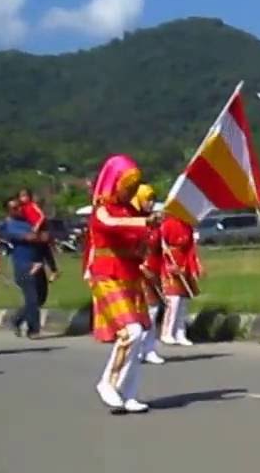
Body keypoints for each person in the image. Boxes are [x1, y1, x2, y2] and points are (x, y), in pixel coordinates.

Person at [86, 154, 158, 413]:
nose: (130, 190)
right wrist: (143, 222)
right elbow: (111, 225)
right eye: (126, 184)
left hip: (130, 277)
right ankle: (108, 381)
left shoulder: (131, 210)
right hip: (107, 277)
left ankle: (129, 393)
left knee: (140, 335)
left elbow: (138, 245)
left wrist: (149, 233)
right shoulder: (102, 209)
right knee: (131, 333)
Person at [0, 198, 58, 339]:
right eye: (14, 208)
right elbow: (29, 238)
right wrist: (41, 236)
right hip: (23, 265)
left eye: (20, 207)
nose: (18, 210)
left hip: (38, 264)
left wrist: (53, 267)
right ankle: (33, 330)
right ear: (8, 211)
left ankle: (16, 320)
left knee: (41, 298)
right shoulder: (8, 225)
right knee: (32, 298)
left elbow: (45, 245)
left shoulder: (30, 221)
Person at [132, 184, 166, 365]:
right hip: (138, 271)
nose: (151, 203)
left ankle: (149, 348)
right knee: (144, 311)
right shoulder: (134, 222)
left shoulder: (155, 223)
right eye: (147, 199)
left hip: (155, 269)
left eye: (153, 199)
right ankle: (138, 347)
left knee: (154, 310)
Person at [159, 212, 202, 347]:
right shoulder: (166, 224)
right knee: (173, 301)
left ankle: (180, 333)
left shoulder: (188, 226)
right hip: (170, 265)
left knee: (183, 303)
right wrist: (168, 264)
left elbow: (191, 250)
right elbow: (159, 246)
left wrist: (193, 267)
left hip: (184, 266)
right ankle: (167, 332)